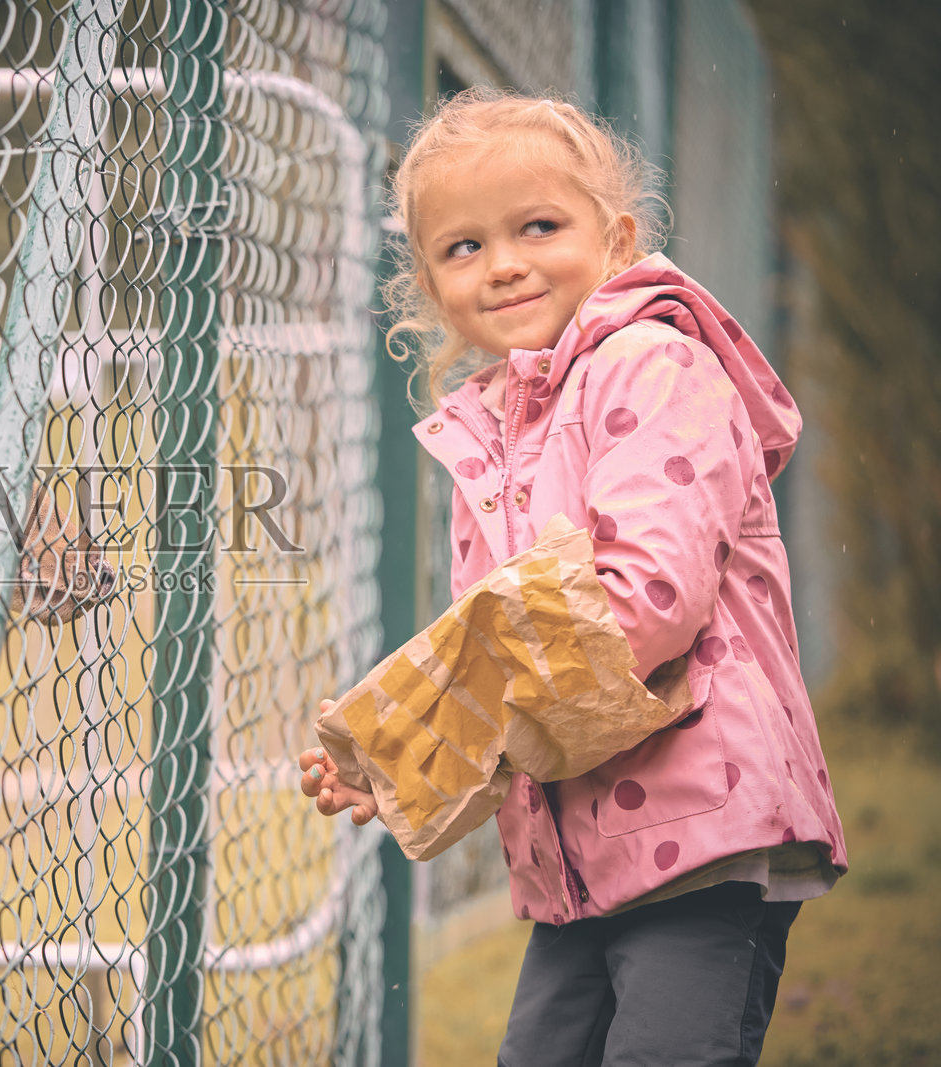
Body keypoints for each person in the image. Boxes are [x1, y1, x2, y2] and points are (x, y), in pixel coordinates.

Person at [298, 87, 847, 1066]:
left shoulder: (651, 366)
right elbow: (509, 640)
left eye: (537, 226)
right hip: (580, 851)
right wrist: (405, 759)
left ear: (616, 237)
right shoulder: (497, 427)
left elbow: (646, 600)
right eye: (462, 247)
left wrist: (440, 709)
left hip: (697, 823)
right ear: (428, 284)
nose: (503, 262)